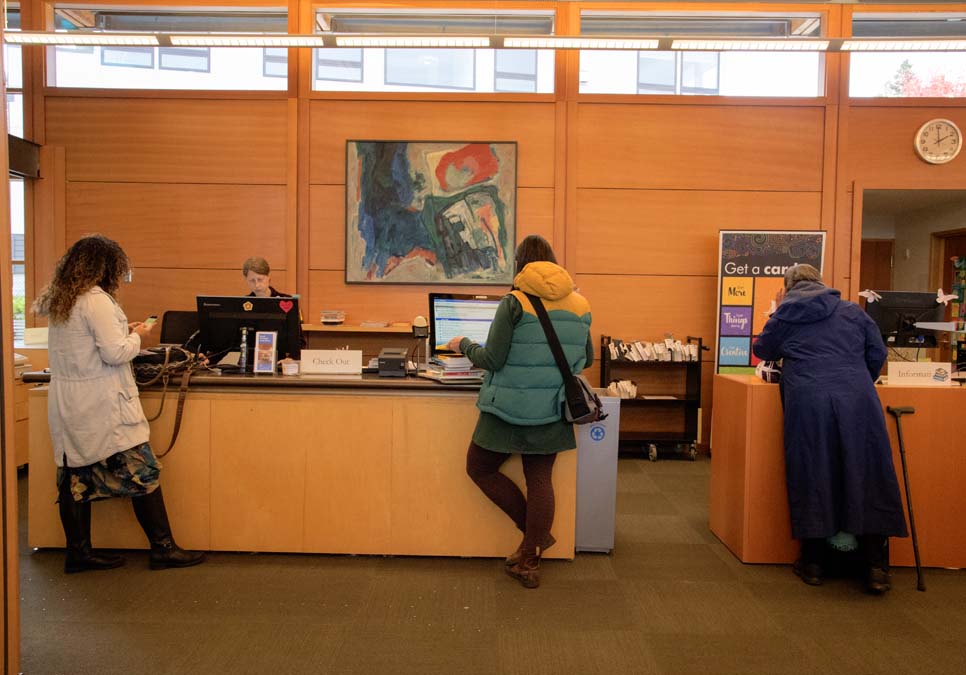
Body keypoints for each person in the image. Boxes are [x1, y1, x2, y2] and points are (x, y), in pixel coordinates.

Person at [33, 234, 207, 573]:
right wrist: (137, 335)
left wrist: (122, 330)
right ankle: (163, 548)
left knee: (74, 476)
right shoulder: (96, 300)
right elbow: (115, 354)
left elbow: (85, 343)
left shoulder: (65, 299)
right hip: (103, 403)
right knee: (143, 470)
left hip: (70, 402)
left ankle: (79, 553)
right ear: (106, 267)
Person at [445, 235, 593, 589]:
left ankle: (533, 538)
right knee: (540, 480)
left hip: (506, 409)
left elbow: (492, 359)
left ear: (520, 264)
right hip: (553, 408)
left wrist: (461, 344)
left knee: (479, 467)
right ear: (554, 262)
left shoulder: (514, 302)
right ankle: (530, 556)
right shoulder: (580, 303)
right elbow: (585, 358)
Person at [752, 263, 907, 595]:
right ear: (823, 282)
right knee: (867, 473)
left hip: (809, 402)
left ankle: (814, 563)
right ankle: (875, 568)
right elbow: (876, 353)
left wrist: (779, 312)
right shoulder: (852, 311)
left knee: (813, 472)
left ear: (788, 287)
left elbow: (762, 350)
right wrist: (852, 379)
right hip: (858, 400)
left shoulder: (785, 315)